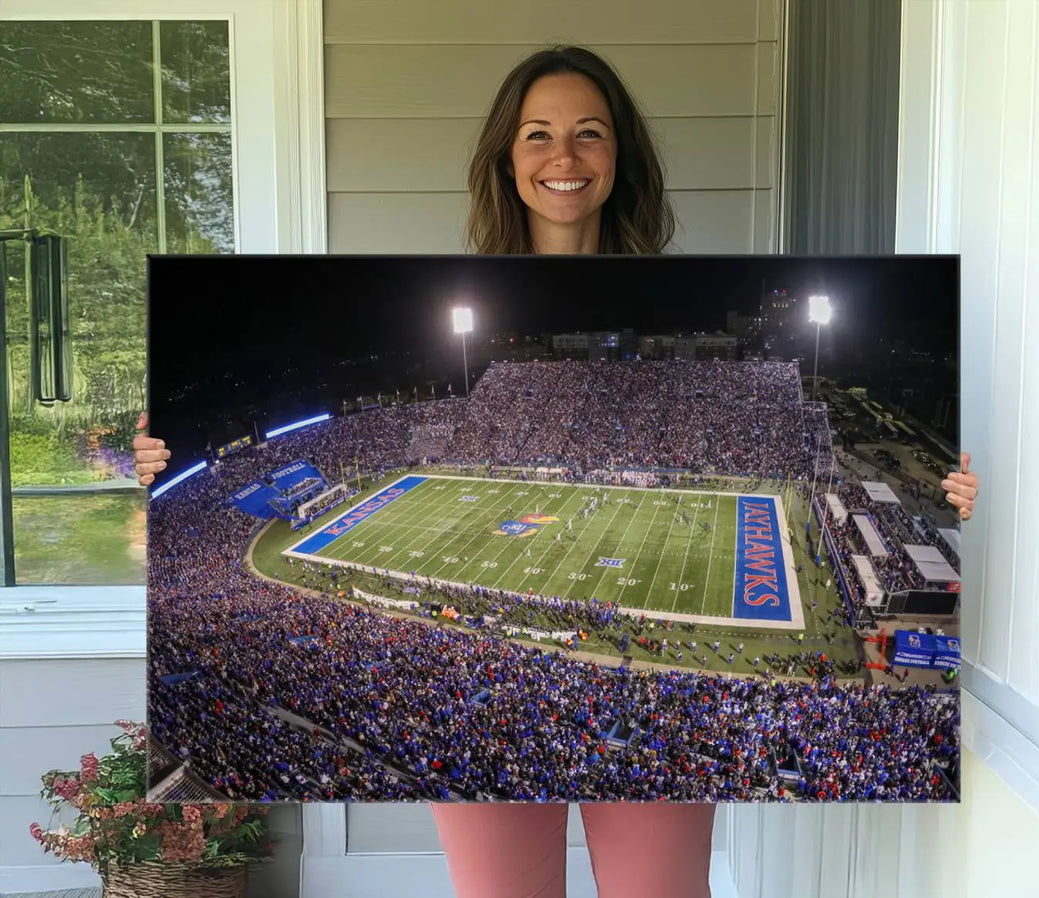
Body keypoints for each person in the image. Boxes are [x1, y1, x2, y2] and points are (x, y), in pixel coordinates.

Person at [133, 45, 979, 898]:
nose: (563, 157)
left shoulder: (678, 288)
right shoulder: (451, 275)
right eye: (537, 135)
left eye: (590, 134)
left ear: (621, 157)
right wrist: (151, 463)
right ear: (507, 156)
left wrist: (956, 496)